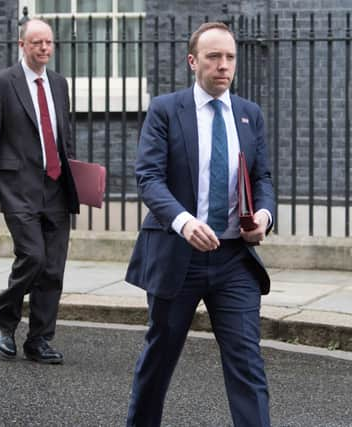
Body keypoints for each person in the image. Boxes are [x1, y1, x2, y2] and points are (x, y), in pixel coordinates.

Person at [125, 22, 275, 426]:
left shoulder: (249, 115)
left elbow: (262, 178)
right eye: (213, 57)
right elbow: (149, 178)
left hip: (233, 261)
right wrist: (183, 221)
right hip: (179, 257)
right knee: (160, 356)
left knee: (247, 362)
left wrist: (264, 215)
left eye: (229, 58)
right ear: (193, 61)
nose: (223, 66)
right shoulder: (165, 110)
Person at [0, 18, 79, 364]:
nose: (44, 49)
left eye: (48, 43)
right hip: (17, 187)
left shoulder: (60, 84)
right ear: (22, 45)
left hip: (57, 188)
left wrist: (77, 174)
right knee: (33, 256)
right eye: (37, 43)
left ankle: (39, 340)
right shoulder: (2, 84)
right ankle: (4, 319)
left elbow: (65, 135)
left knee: (53, 269)